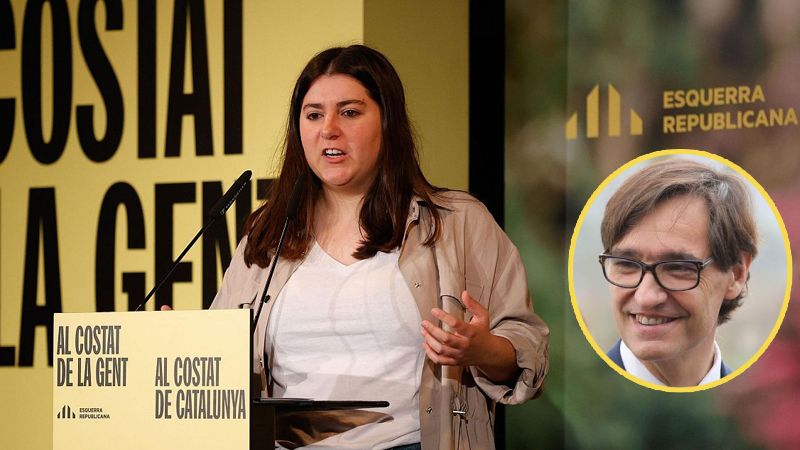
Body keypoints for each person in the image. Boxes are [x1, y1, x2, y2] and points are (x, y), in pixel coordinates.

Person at [209, 45, 549, 449]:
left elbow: (529, 349)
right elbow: (222, 357)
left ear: (387, 122)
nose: (328, 129)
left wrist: (482, 349)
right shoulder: (267, 232)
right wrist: (183, 342)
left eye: (350, 112)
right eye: (313, 114)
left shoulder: (456, 222)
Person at [599, 158, 757, 387]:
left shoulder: (754, 402)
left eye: (677, 268)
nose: (646, 297)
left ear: (736, 274)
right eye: (627, 264)